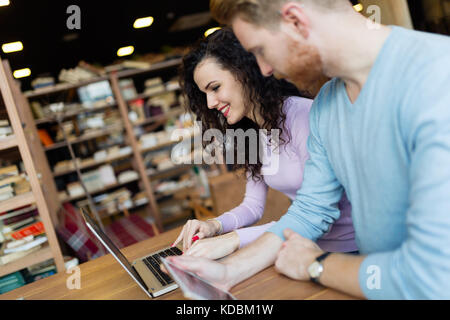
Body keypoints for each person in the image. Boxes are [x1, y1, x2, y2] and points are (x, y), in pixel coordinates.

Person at [165, 0, 450, 299]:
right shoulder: (328, 103)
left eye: (260, 50)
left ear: (295, 20)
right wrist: (228, 271)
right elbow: (311, 210)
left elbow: (431, 275)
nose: (263, 69)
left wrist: (316, 265)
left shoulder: (436, 78)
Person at [172, 27, 357, 259]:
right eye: (204, 94)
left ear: (245, 73)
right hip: (310, 248)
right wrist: (214, 225)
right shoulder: (253, 131)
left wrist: (235, 239)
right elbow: (253, 206)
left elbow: (317, 215)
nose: (210, 103)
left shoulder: (304, 116)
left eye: (215, 88)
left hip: (354, 250)